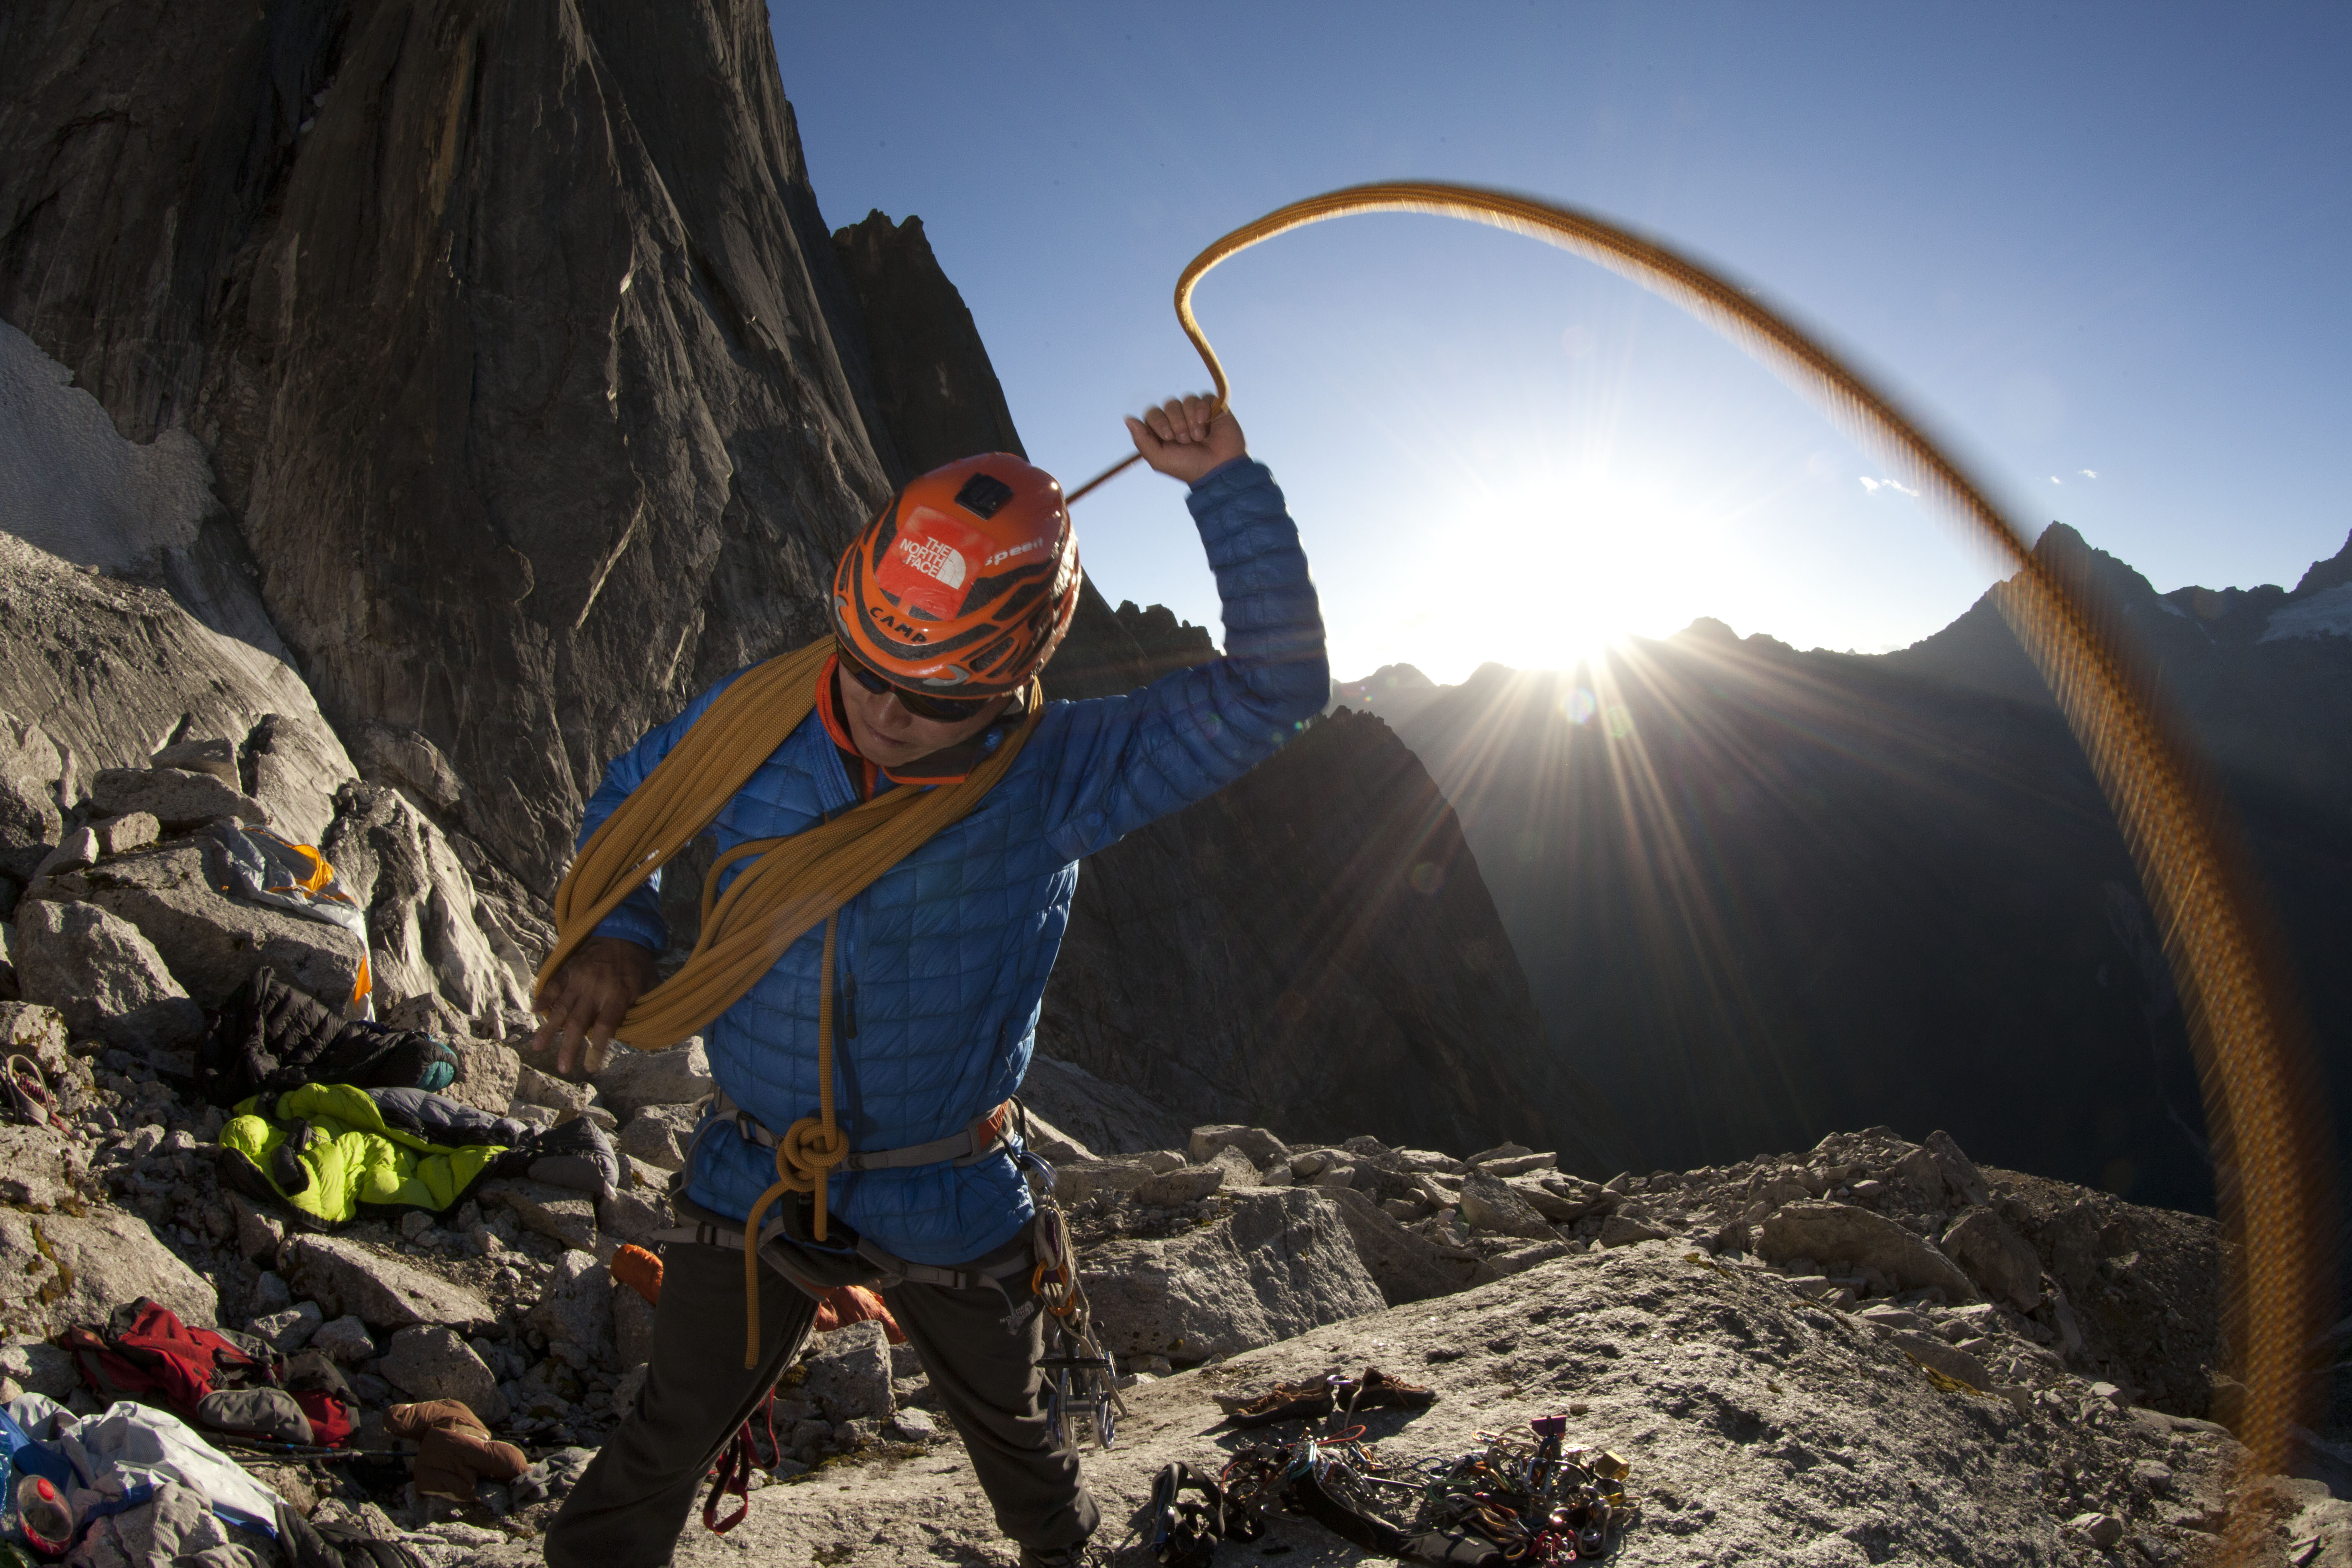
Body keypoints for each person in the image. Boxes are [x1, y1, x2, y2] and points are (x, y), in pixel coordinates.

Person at [536, 395, 1326, 1568]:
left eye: (937, 698)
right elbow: (629, 807)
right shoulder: (759, 720)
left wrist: (1226, 485)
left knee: (1019, 1449)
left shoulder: (1059, 772)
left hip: (944, 1187)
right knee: (670, 1428)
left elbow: (1277, 691)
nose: (890, 715)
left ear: (1013, 675)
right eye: (870, 676)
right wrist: (615, 932)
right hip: (758, 1166)